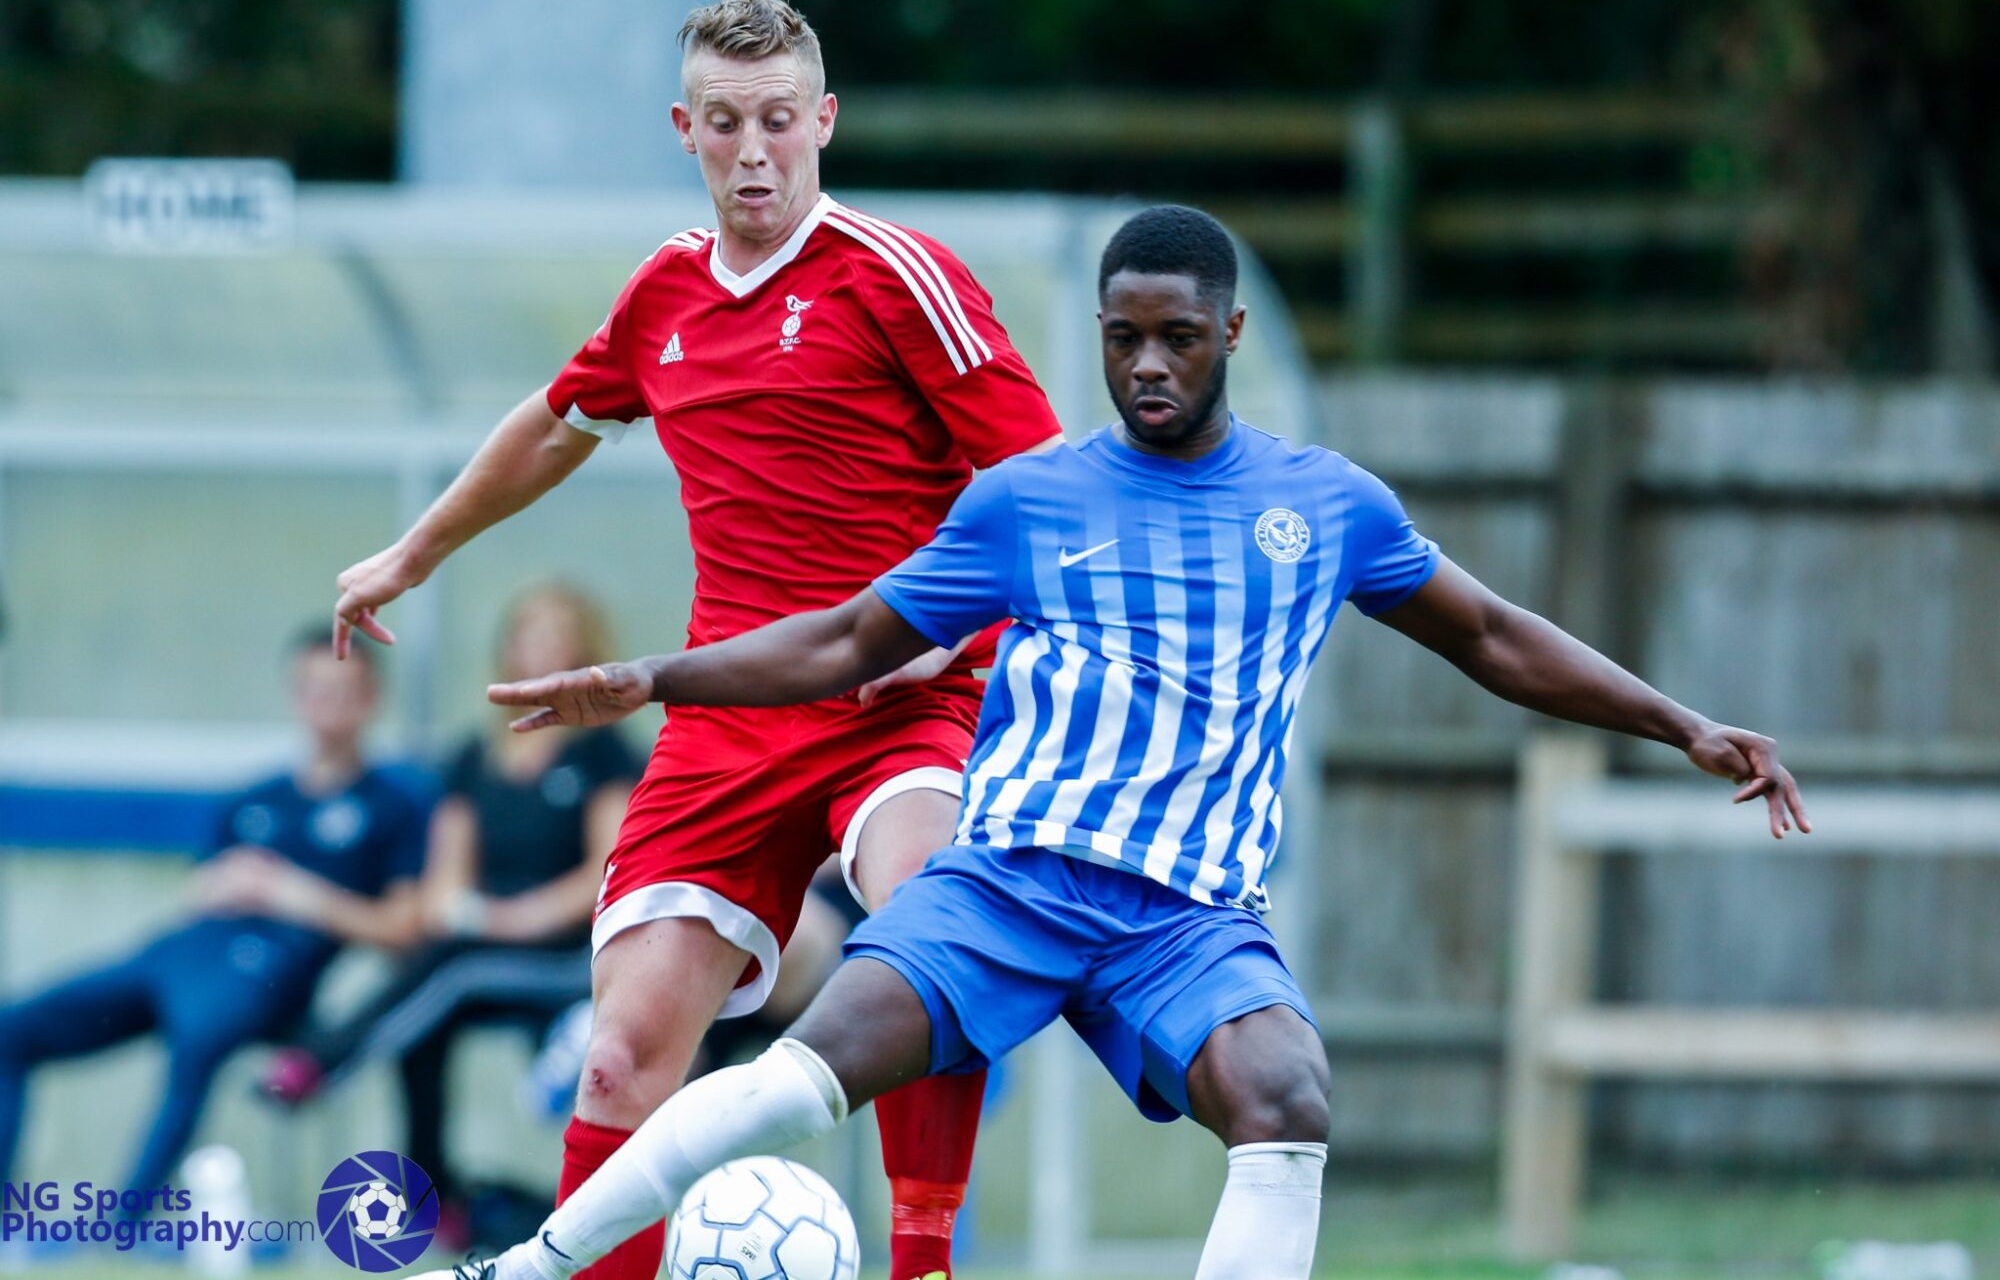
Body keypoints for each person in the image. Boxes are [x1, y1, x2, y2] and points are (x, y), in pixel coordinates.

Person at [418, 205, 1810, 1280]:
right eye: (1123, 337)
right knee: (792, 1083)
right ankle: (533, 1260)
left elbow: (1495, 636)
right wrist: (657, 676)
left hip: (1185, 917)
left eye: (1177, 338)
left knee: (1286, 1090)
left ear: (1231, 334)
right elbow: (848, 643)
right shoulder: (1029, 500)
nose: (1147, 364)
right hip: (1012, 883)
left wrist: (1679, 720)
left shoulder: (1323, 506)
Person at [328, 0, 1062, 1280]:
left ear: (822, 119)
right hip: (729, 718)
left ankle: (925, 1266)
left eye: (779, 120)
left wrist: (971, 627)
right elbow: (559, 419)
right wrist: (411, 552)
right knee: (617, 1053)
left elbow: (1046, 484)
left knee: (925, 932)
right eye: (725, 124)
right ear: (685, 127)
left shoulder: (899, 278)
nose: (755, 151)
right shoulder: (667, 291)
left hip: (911, 704)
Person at [0, 630, 427, 1209]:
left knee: (196, 1037)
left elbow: (403, 930)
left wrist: (292, 892)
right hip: (182, 954)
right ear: (295, 697)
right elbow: (200, 888)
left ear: (372, 699)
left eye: (343, 690)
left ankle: (126, 1220)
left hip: (273, 973)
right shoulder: (255, 798)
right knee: (13, 1028)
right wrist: (219, 886)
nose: (327, 703)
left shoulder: (396, 804)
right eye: (314, 689)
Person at [263, 586, 639, 1236]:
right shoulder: (474, 757)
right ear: (510, 647)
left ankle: (325, 1061)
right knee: (427, 1005)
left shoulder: (603, 754)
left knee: (451, 971)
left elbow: (607, 869)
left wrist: (513, 918)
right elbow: (446, 874)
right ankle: (437, 1201)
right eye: (531, 633)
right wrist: (459, 911)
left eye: (559, 635)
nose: (543, 647)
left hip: (569, 952)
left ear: (585, 651)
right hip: (485, 946)